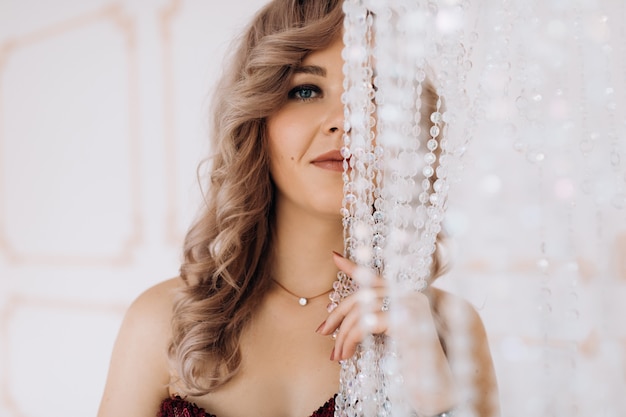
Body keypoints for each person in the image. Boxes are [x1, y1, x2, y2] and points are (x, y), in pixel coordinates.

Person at [97, 1, 499, 416]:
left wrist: (433, 392)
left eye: (375, 93)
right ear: (257, 120)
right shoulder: (163, 322)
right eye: (305, 90)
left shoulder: (450, 329)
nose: (346, 120)